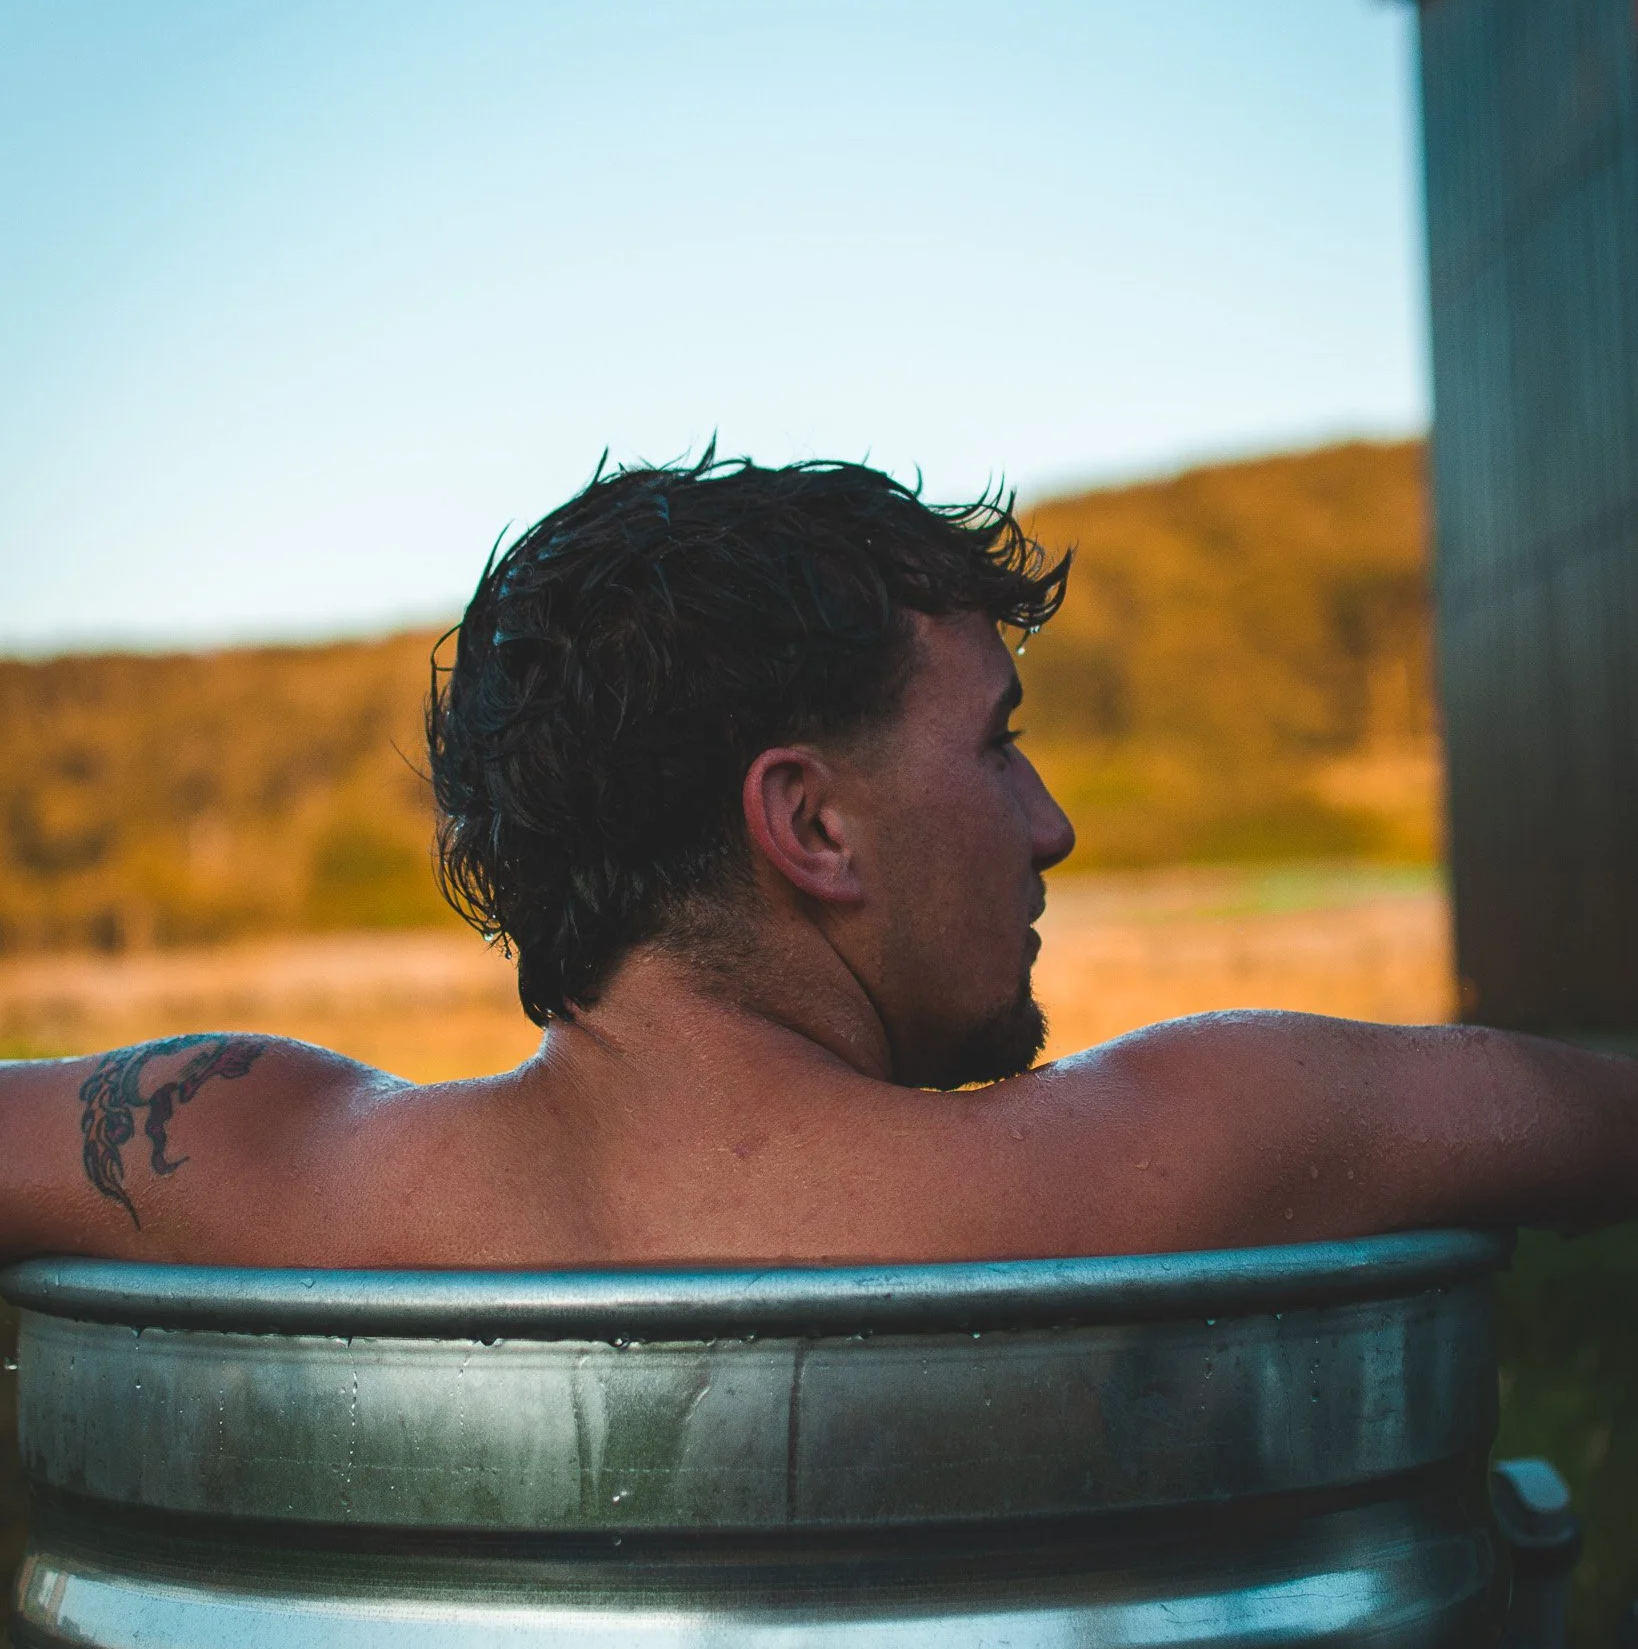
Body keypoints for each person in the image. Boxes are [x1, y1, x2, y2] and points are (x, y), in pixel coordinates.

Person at [1, 453, 1634, 1268]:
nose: (1049, 820)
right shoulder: (1185, 1152)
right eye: (993, 742)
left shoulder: (264, 1162)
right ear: (810, 825)